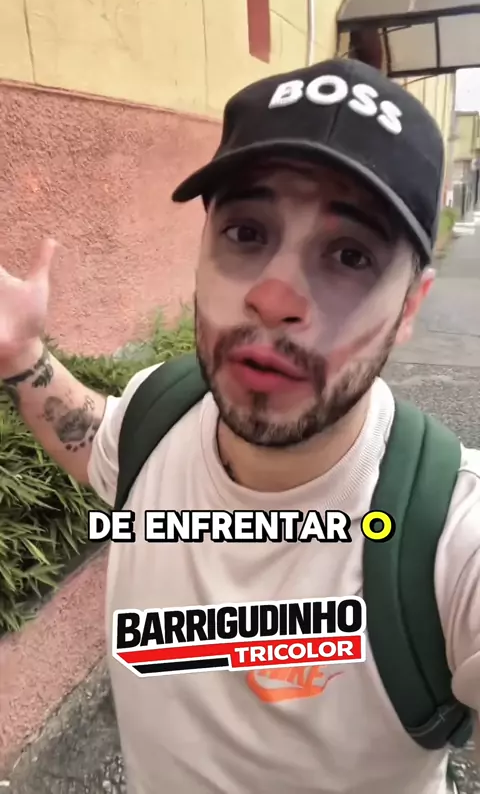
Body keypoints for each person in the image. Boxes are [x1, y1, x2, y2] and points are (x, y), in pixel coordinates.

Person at [1, 58, 479, 794]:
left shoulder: (449, 537)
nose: (274, 296)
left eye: (349, 255)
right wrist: (21, 356)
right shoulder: (158, 417)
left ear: (410, 307)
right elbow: (95, 441)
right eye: (247, 232)